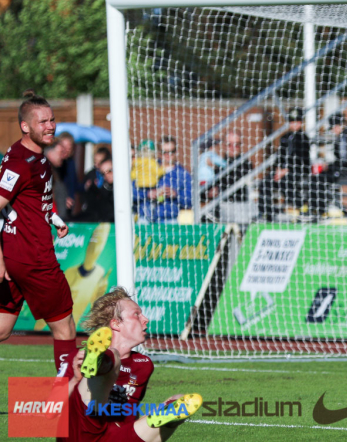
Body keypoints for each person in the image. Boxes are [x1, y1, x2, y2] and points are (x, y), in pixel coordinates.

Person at [0, 91, 74, 373]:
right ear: (25, 126)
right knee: (65, 328)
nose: (50, 126)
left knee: (2, 328)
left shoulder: (32, 156)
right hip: (33, 258)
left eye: (52, 120)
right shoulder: (21, 163)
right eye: (42, 122)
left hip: (18, 256)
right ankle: (67, 396)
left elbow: (26, 200)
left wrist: (53, 218)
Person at [66, 287, 201, 441]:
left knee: (179, 400)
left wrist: (148, 418)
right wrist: (76, 379)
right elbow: (51, 409)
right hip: (85, 431)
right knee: (113, 356)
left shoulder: (143, 364)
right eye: (137, 314)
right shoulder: (78, 357)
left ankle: (167, 415)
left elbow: (131, 411)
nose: (145, 319)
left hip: (118, 437)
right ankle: (100, 362)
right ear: (116, 324)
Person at [258, 108, 314, 221]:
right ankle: (266, 212)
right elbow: (280, 156)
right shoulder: (285, 137)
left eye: (297, 121)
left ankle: (302, 207)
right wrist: (278, 169)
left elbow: (301, 159)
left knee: (285, 182)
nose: (295, 124)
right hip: (283, 171)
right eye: (292, 121)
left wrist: (286, 170)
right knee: (265, 183)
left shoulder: (303, 138)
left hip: (298, 171)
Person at [310, 111, 347, 217]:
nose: (332, 131)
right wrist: (330, 166)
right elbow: (341, 158)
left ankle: (320, 211)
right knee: (317, 177)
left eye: (333, 127)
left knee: (320, 179)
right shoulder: (341, 137)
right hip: (340, 168)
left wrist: (333, 166)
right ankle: (319, 209)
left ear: (339, 125)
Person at [136, 136, 193, 224]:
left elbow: (190, 200)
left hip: (169, 220)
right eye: (164, 152)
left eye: (171, 152)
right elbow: (131, 192)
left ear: (176, 152)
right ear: (159, 153)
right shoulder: (147, 168)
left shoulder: (183, 174)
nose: (168, 155)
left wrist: (175, 194)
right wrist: (147, 194)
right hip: (145, 219)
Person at [209, 131, 255, 225]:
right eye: (229, 145)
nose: (233, 148)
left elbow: (234, 182)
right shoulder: (218, 164)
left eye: (236, 145)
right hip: (221, 207)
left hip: (241, 207)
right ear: (224, 146)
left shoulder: (246, 164)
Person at [79, 157, 115, 222]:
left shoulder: (126, 188)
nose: (106, 175)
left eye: (109, 171)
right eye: (103, 173)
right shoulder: (101, 193)